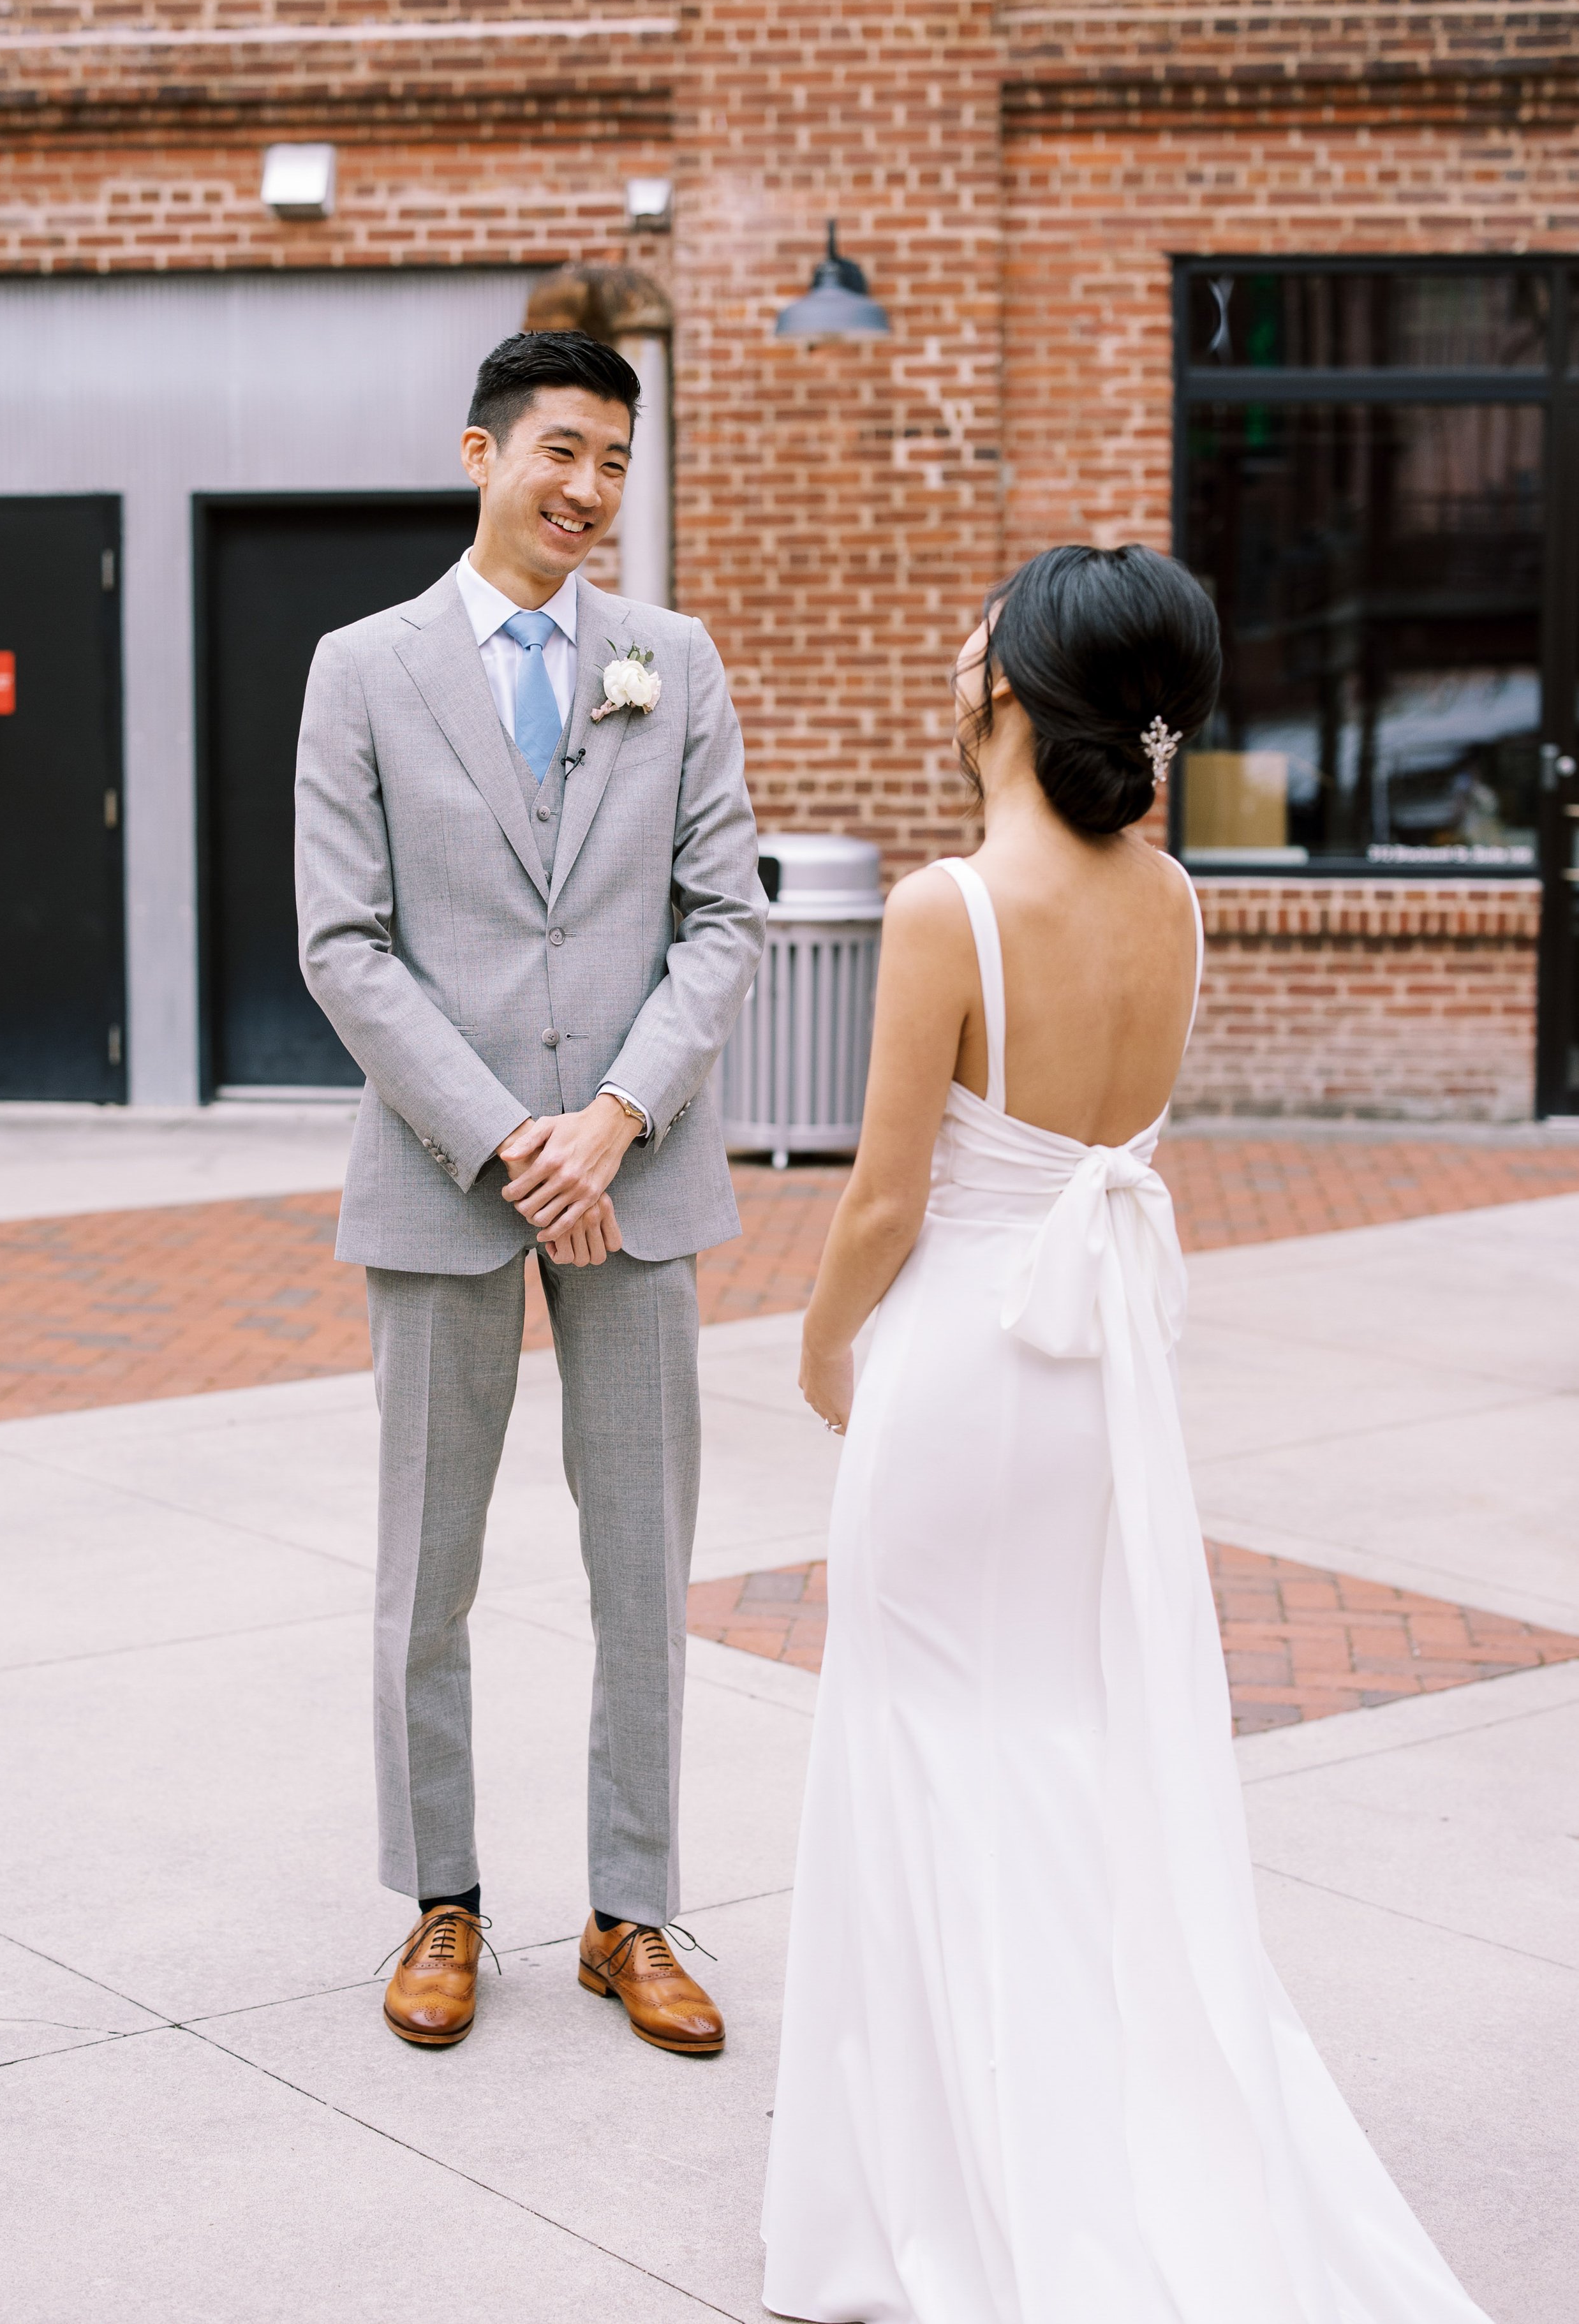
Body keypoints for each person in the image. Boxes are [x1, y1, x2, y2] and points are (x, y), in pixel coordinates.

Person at [762, 545, 1494, 2322]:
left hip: (957, 1361)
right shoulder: (1171, 896)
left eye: (977, 628)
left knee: (921, 1740)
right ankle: (1090, 2116)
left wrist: (816, 1342)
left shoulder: (950, 904)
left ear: (1006, 683)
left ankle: (940, 2180)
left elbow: (881, 1198)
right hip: (1097, 1381)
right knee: (1063, 1742)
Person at [294, 329, 764, 2056]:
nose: (589, 492)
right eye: (562, 452)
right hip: (444, 1174)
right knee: (429, 1566)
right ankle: (440, 1902)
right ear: (482, 452)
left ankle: (629, 1913)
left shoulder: (674, 661)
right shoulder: (360, 667)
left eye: (616, 463)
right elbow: (342, 945)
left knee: (643, 1562)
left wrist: (620, 1115)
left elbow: (720, 919)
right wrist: (513, 1136)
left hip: (637, 1180)